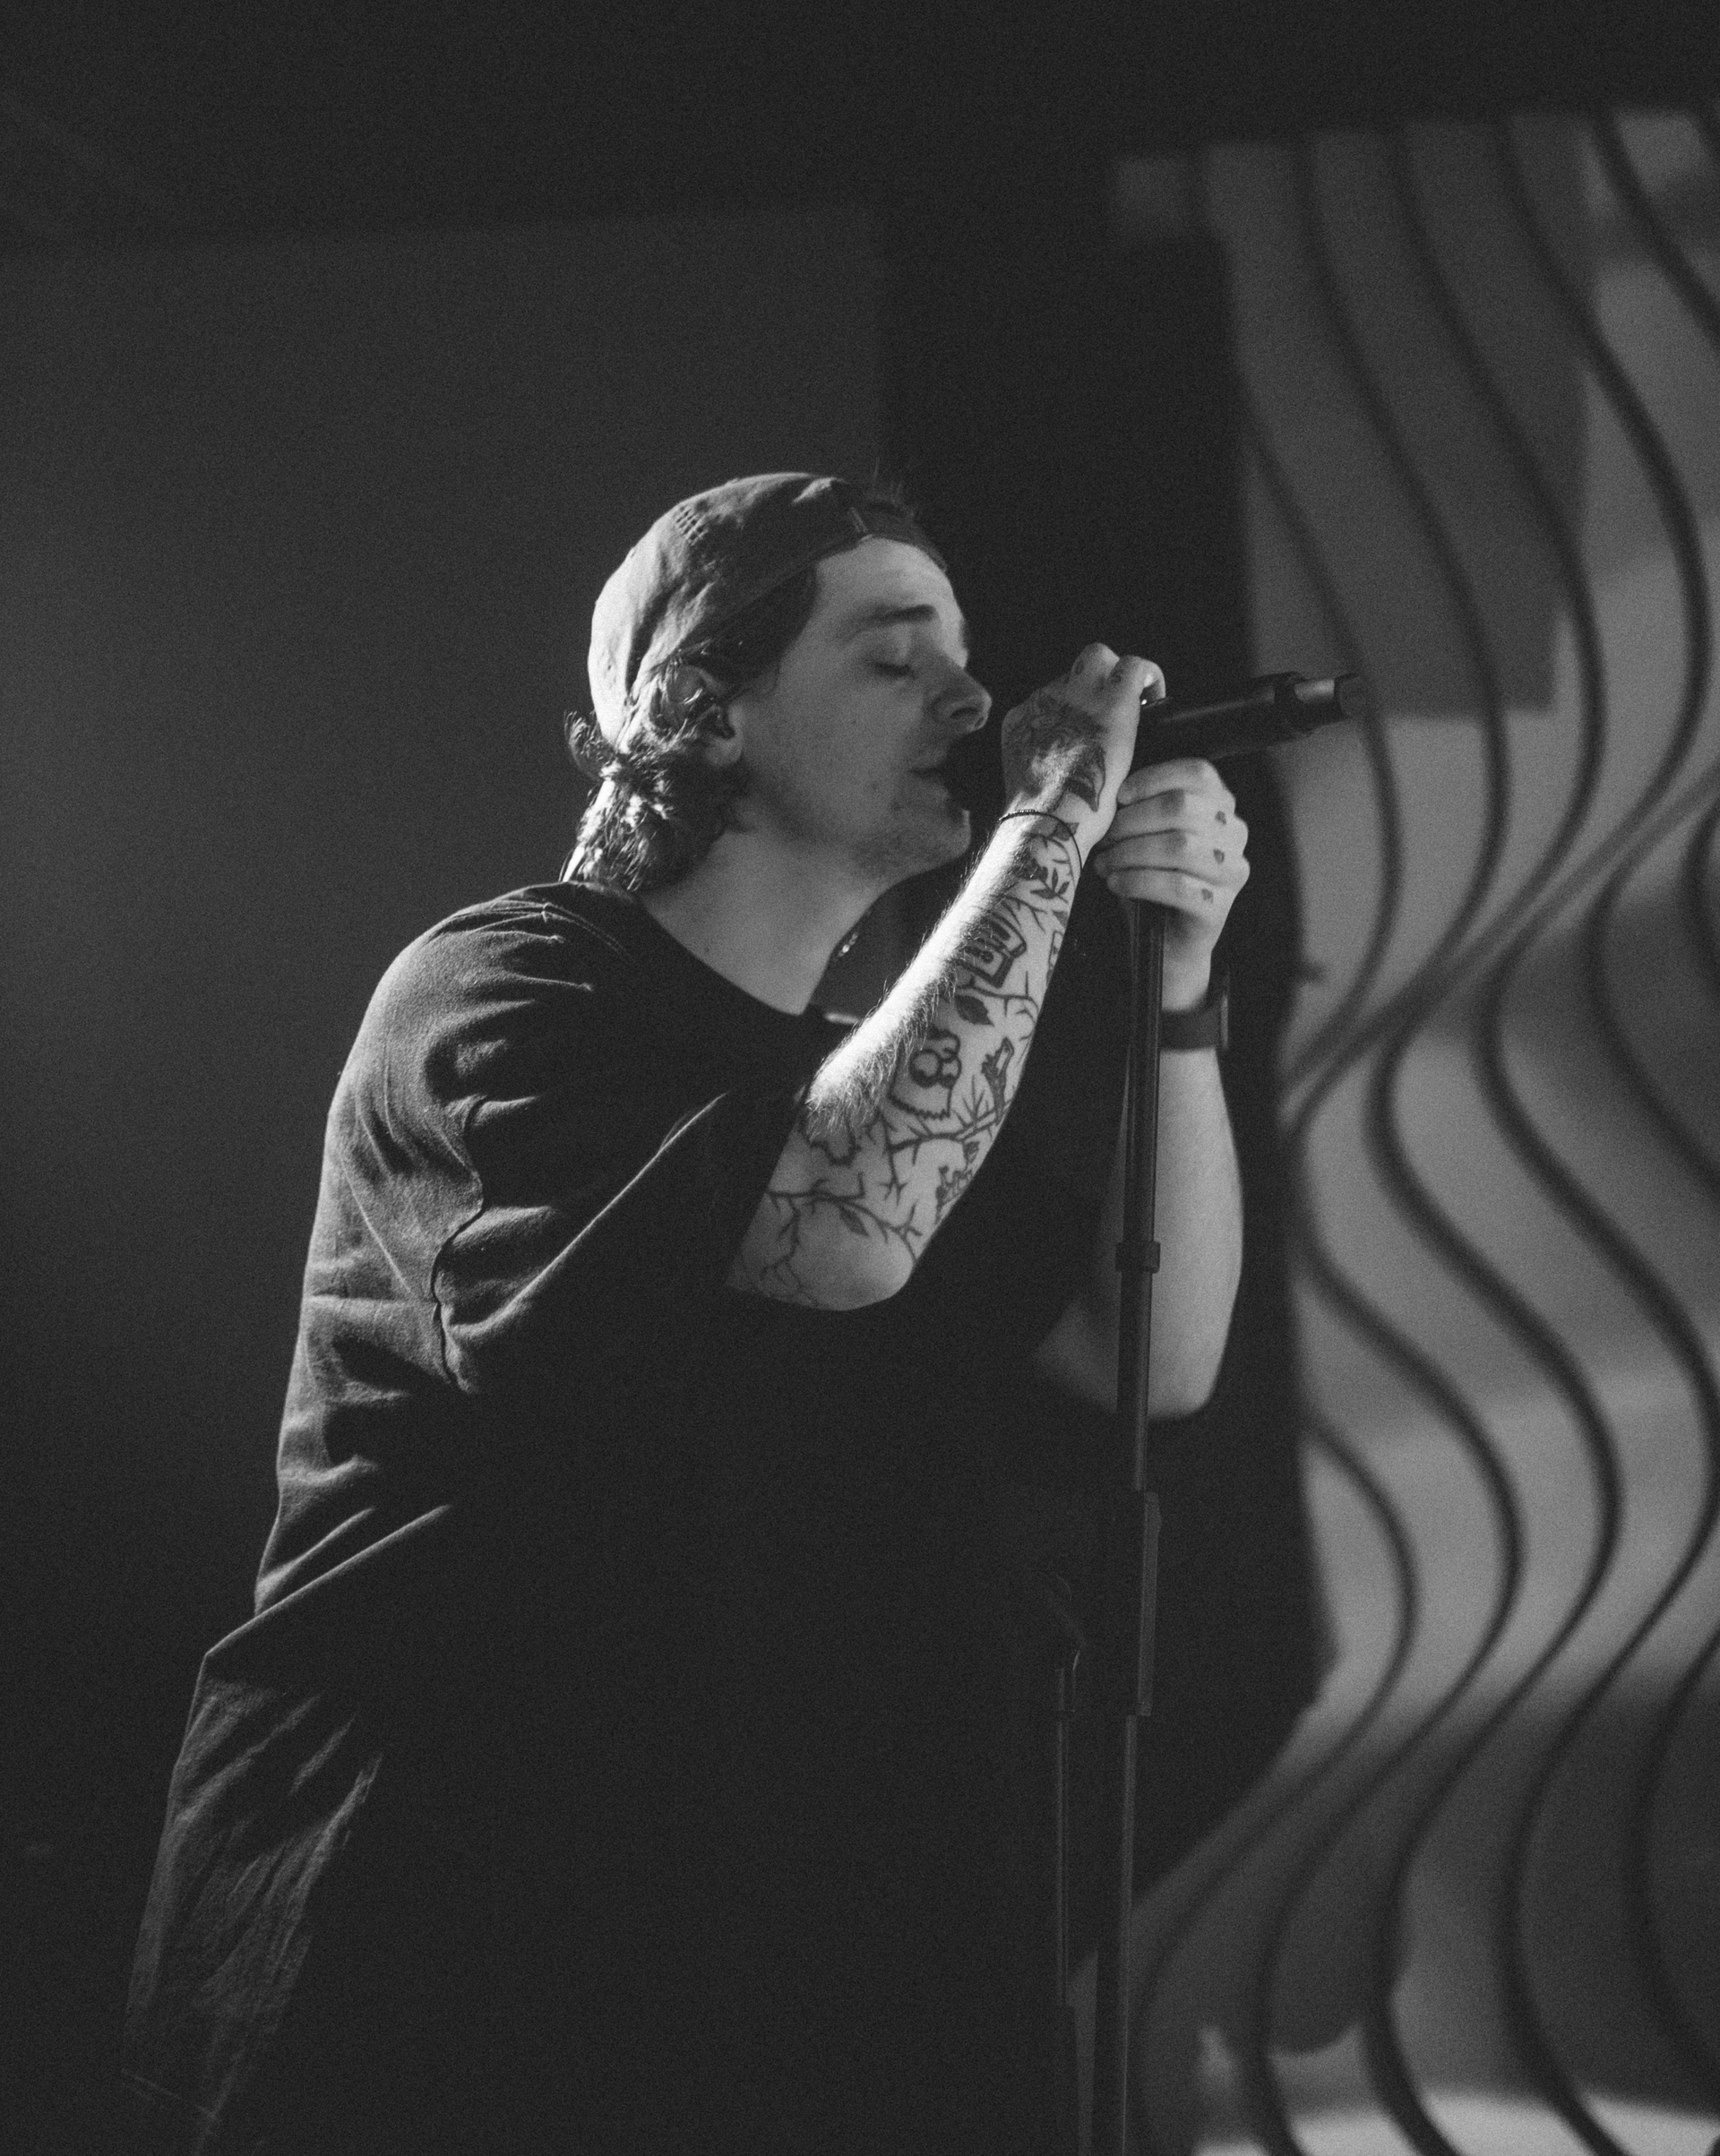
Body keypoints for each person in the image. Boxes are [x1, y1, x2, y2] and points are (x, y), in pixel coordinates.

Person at [123, 469, 1250, 2155]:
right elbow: (841, 1227)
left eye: (964, 653)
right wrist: (1052, 820)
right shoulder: (504, 988)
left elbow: (1146, 1354)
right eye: (895, 656)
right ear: (704, 711)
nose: (970, 700)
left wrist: (1181, 992)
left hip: (755, 1968)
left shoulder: (863, 1077)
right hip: (442, 1967)